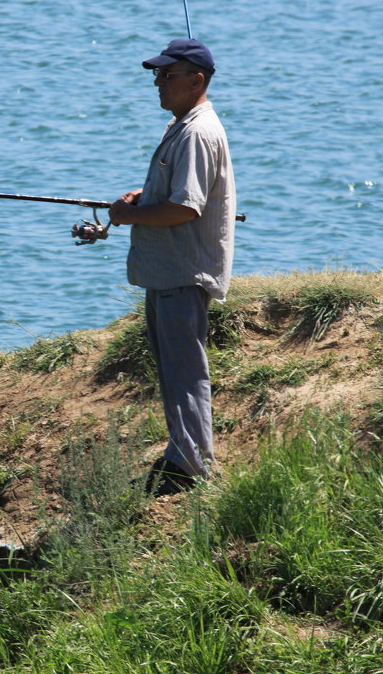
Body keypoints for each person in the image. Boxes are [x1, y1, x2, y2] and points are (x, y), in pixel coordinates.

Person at [108, 38, 236, 496]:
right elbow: (175, 195)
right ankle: (180, 453)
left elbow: (185, 208)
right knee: (173, 369)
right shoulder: (182, 126)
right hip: (168, 271)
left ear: (196, 80)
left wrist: (128, 215)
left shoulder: (198, 132)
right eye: (156, 75)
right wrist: (142, 200)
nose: (158, 83)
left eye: (167, 75)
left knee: (185, 372)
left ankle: (192, 465)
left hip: (183, 273)